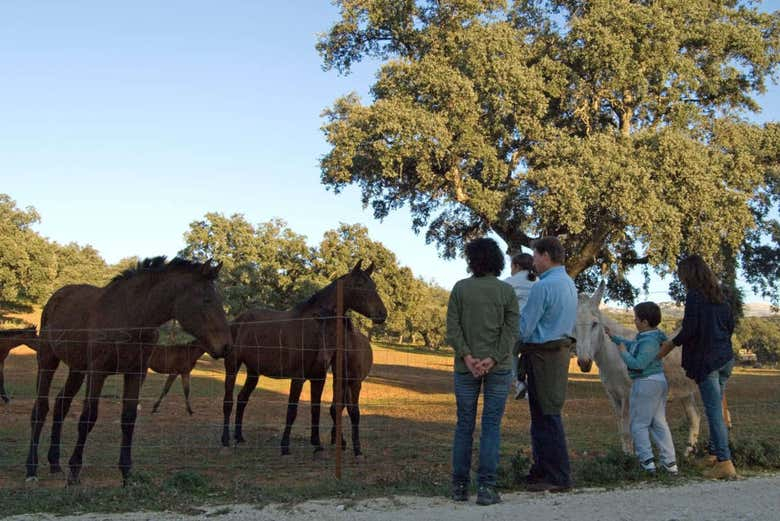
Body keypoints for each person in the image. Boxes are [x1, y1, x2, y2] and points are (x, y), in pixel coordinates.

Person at [446, 237, 519, 506]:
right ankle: (487, 488)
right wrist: (493, 358)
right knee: (491, 426)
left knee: (464, 425)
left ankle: (459, 487)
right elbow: (511, 331)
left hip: (465, 369)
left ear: (472, 260)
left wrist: (467, 356)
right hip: (498, 369)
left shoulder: (460, 289)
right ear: (497, 261)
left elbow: (452, 328)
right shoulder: (506, 292)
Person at [658, 255, 737, 479]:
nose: (680, 279)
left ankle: (725, 462)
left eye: (681, 274)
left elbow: (689, 329)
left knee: (713, 412)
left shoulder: (694, 296)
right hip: (725, 359)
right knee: (717, 410)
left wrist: (669, 345)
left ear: (689, 275)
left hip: (708, 362)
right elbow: (729, 326)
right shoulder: (720, 297)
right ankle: (714, 454)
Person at [517, 236, 577, 492]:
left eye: (535, 256)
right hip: (558, 353)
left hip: (542, 355)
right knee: (546, 413)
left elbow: (525, 327)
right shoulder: (569, 284)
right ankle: (542, 470)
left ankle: (558, 475)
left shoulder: (543, 287)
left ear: (545, 256)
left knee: (546, 416)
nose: (533, 262)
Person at [605, 302, 678, 475]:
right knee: (659, 423)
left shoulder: (649, 342)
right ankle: (670, 463)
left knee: (638, 423)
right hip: (657, 382)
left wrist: (623, 352)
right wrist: (614, 337)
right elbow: (632, 345)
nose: (634, 321)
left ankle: (647, 462)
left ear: (644, 322)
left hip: (645, 383)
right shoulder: (648, 338)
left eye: (636, 318)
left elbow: (638, 364)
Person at [504, 253, 537, 399]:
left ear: (516, 266)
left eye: (511, 266)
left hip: (517, 328)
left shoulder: (509, 282)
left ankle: (519, 383)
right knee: (531, 358)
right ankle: (531, 389)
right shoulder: (538, 281)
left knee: (510, 353)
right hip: (536, 329)